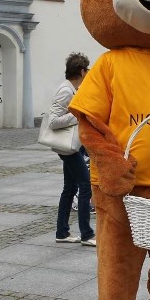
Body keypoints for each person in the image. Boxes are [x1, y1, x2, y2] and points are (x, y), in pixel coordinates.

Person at [49, 52, 95, 247]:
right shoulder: (66, 90)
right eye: (87, 70)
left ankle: (62, 232)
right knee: (85, 184)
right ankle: (86, 234)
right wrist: (77, 115)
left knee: (70, 188)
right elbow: (53, 121)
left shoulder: (71, 89)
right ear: (82, 71)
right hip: (67, 148)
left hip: (71, 146)